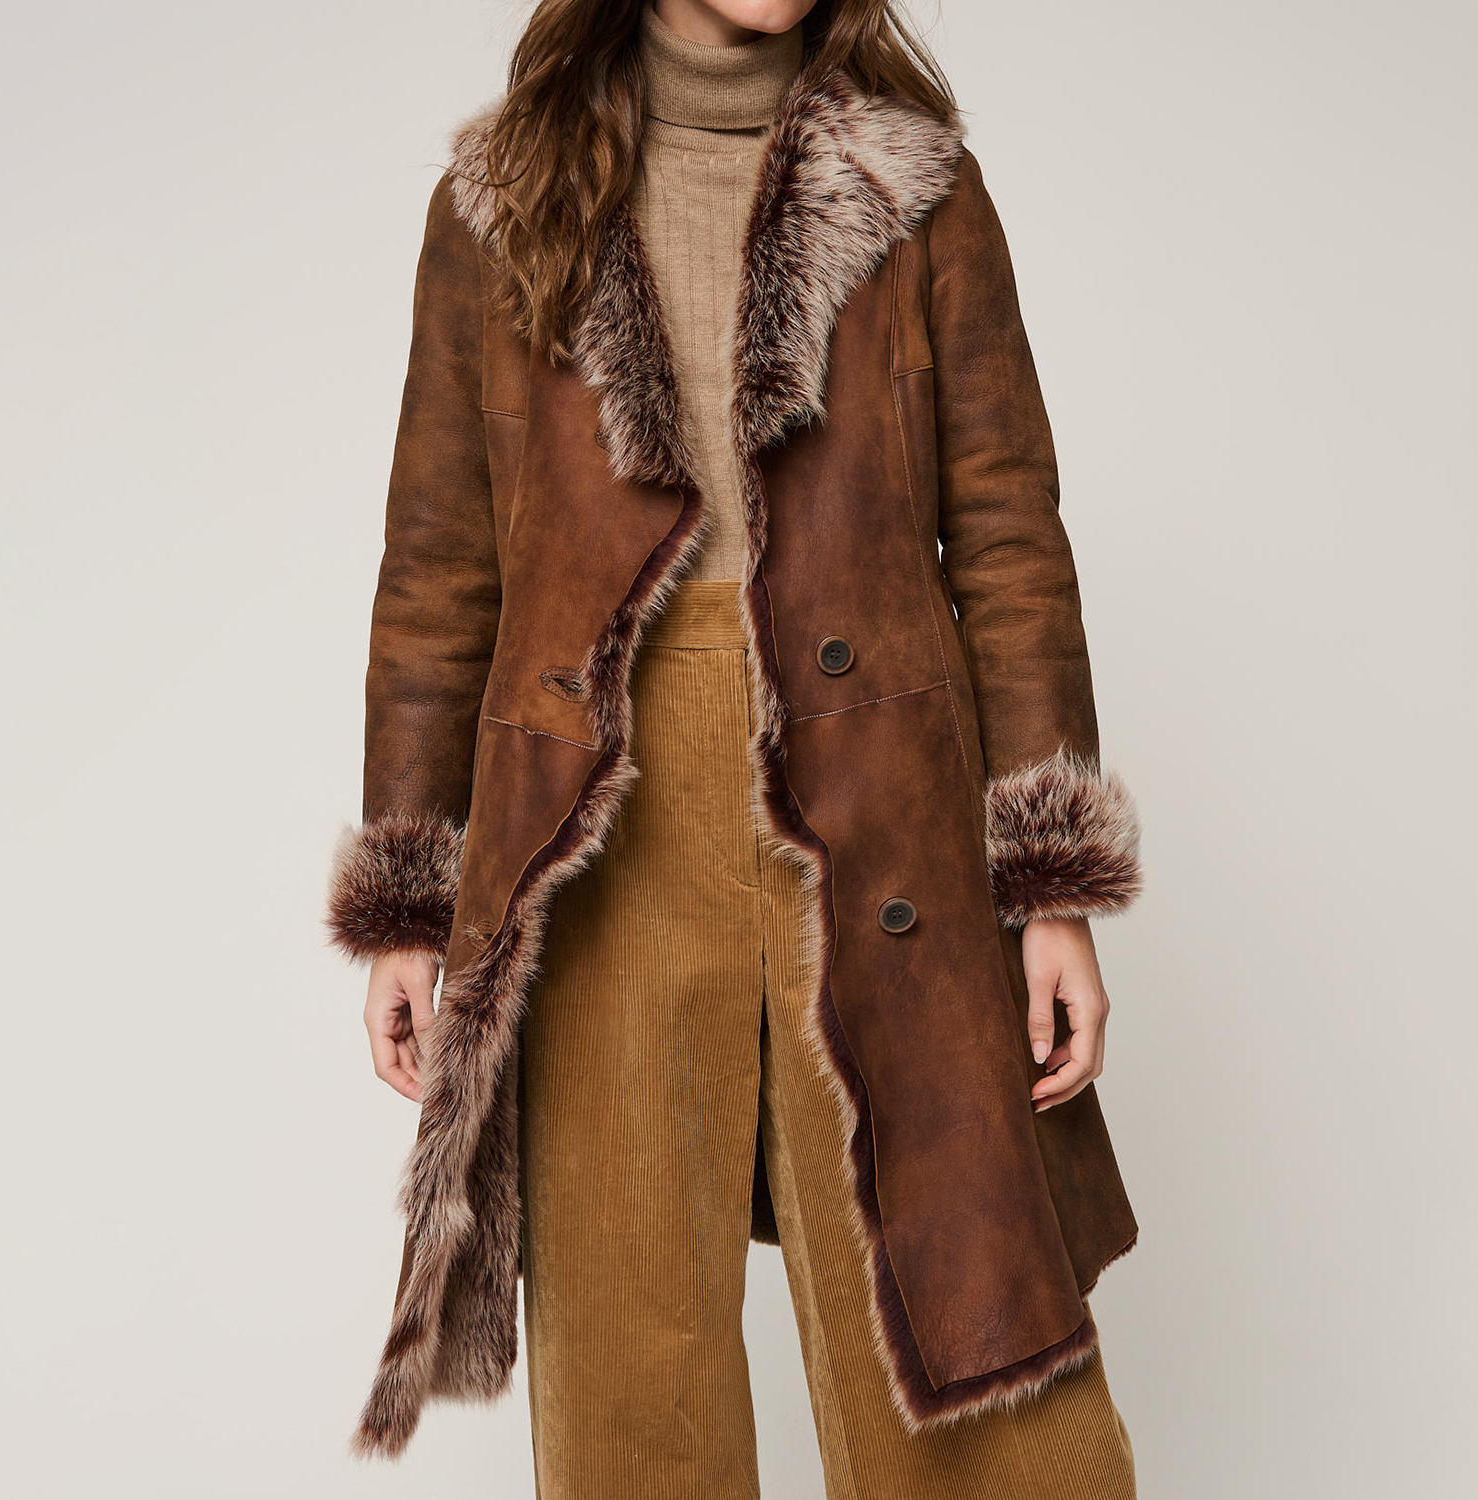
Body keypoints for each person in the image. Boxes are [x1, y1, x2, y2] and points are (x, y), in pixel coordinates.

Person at [328, 2, 1143, 1494]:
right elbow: (442, 571)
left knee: (965, 1346)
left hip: (882, 819)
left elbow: (1011, 544)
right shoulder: (503, 203)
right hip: (599, 831)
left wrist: (1051, 891)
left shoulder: (919, 187)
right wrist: (409, 905)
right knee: (635, 1380)